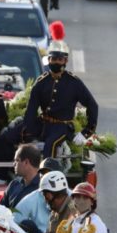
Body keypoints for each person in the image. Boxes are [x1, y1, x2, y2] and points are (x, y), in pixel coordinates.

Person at [22, 21, 98, 158]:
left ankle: (45, 175)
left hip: (63, 127)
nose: (56, 62)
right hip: (43, 123)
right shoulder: (41, 82)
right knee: (12, 134)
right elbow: (31, 110)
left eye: (60, 59)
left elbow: (92, 105)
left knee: (51, 144)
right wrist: (29, 131)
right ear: (48, 60)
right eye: (53, 59)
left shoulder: (74, 83)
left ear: (65, 61)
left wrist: (86, 132)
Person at [14, 157, 63, 233]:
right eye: (42, 173)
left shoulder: (72, 197)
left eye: (50, 174)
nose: (45, 177)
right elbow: (14, 222)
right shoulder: (30, 200)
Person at [0, 144, 41, 208]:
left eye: (17, 160)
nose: (14, 164)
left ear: (26, 162)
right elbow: (0, 211)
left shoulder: (43, 188)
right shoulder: (14, 184)